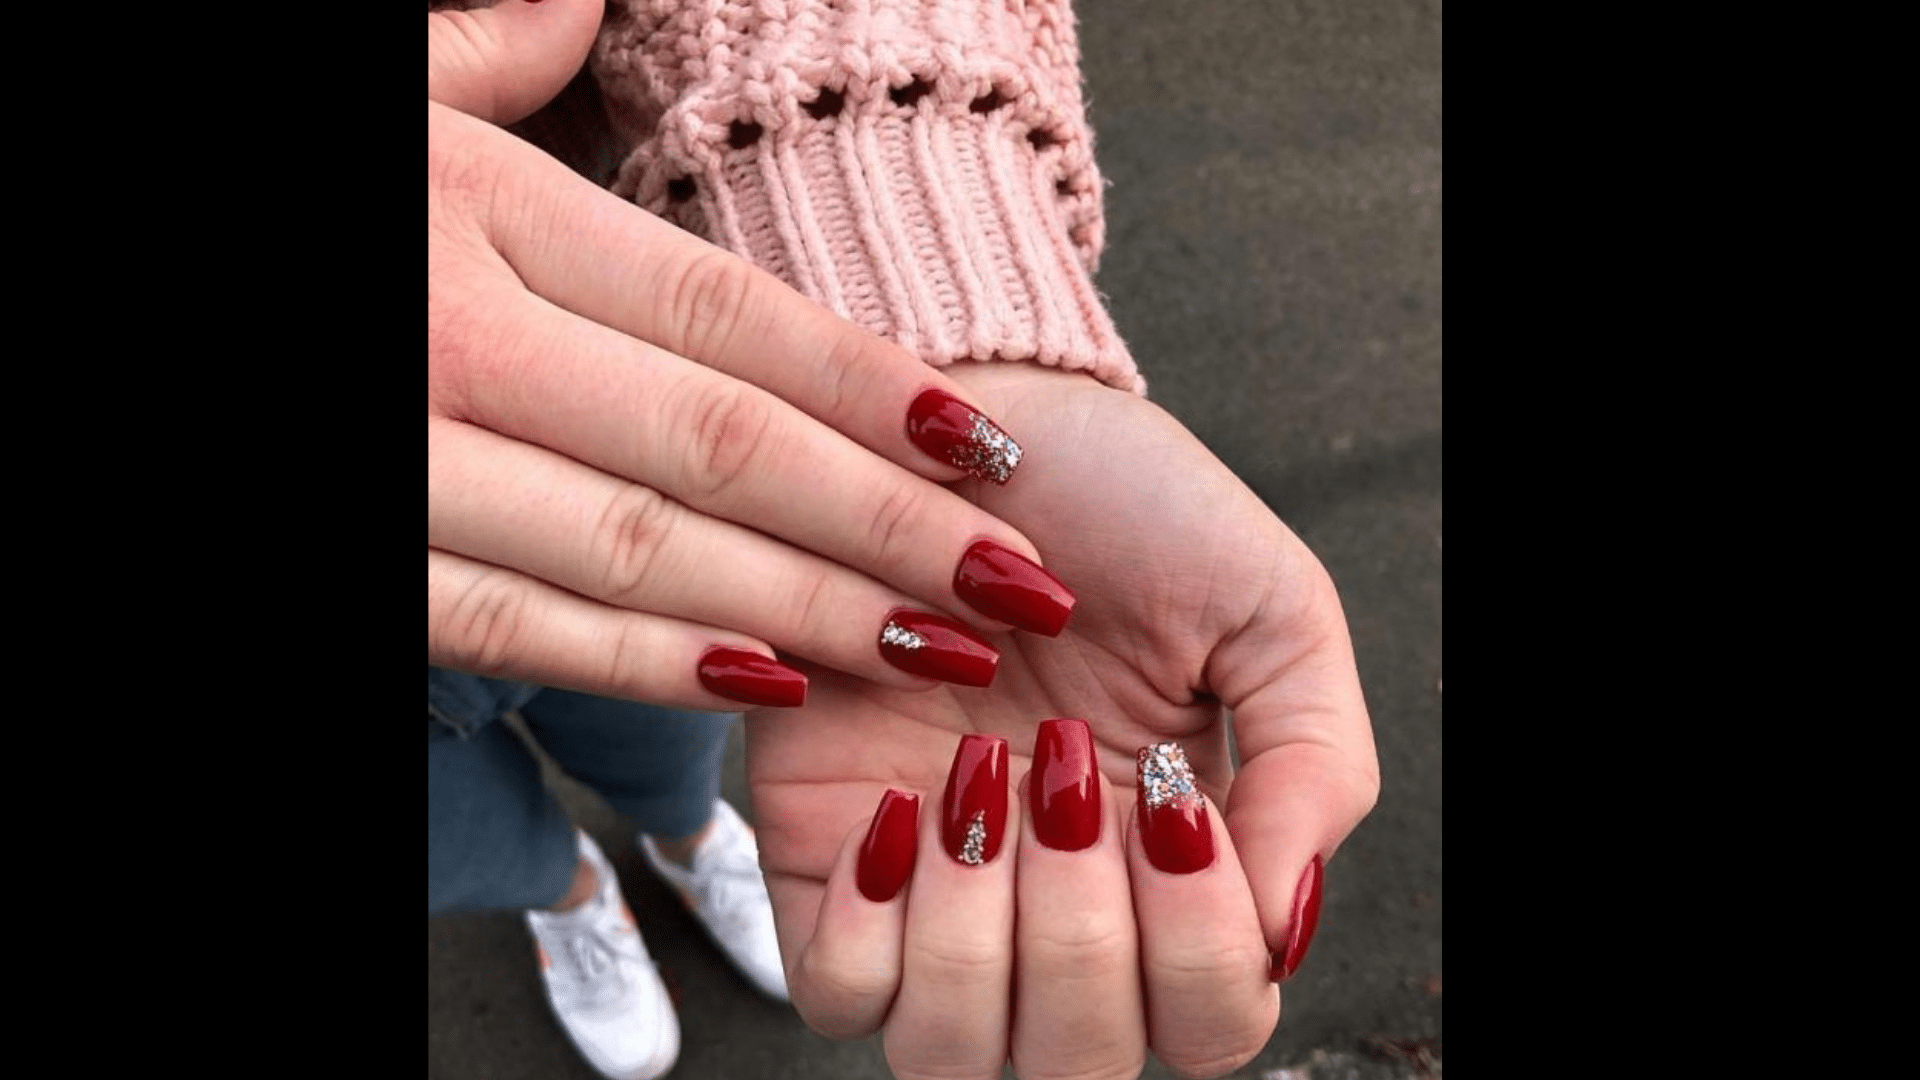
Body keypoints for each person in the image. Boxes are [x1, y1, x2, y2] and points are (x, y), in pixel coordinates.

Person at [428, 1, 1381, 1079]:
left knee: (664, 733)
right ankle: (573, 897)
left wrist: (901, 303)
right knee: (476, 847)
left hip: (614, 471)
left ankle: (689, 844)